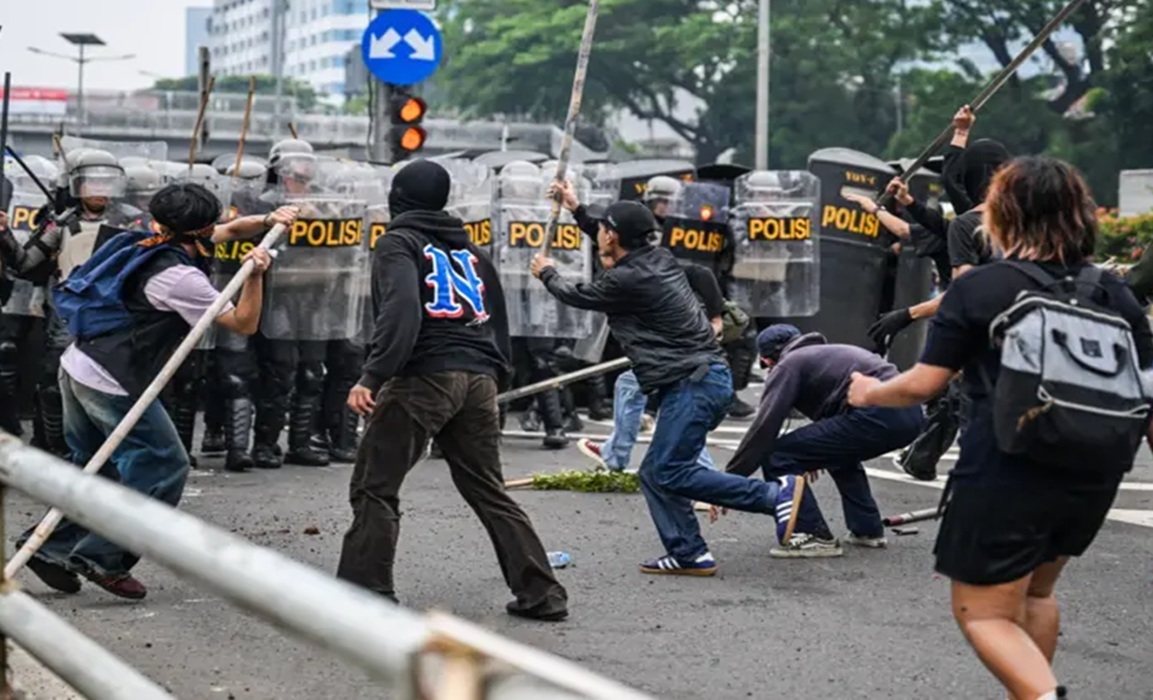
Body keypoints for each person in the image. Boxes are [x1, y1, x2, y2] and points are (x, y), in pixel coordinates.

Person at [847, 156, 1152, 700]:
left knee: (983, 611)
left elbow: (922, 384)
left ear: (1004, 215)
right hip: (1094, 472)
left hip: (1009, 467)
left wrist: (868, 392)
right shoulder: (1115, 295)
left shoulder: (986, 287)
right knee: (1036, 593)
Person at [17, 183, 296, 600]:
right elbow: (243, 323)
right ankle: (102, 558)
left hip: (78, 365)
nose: (218, 228)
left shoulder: (143, 239)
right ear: (198, 228)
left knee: (100, 469)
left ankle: (49, 548)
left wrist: (268, 221)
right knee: (164, 464)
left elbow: (231, 231)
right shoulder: (178, 278)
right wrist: (255, 276)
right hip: (111, 379)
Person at [532, 199, 824, 575]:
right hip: (697, 380)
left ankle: (772, 495)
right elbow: (611, 241)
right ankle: (689, 553)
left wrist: (548, 272)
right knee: (656, 472)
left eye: (603, 228)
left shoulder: (627, 279)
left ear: (615, 235)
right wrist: (577, 209)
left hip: (694, 383)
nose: (600, 234)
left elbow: (578, 296)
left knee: (670, 470)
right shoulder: (658, 258)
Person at [337, 160, 568, 621]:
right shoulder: (473, 253)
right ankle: (542, 594)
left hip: (424, 375)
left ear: (397, 198)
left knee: (375, 486)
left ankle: (364, 596)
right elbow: (500, 321)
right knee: (488, 489)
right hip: (478, 377)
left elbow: (402, 312)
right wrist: (495, 376)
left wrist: (373, 375)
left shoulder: (398, 242)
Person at [725, 325, 925, 557]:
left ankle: (811, 534)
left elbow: (763, 429)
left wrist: (730, 481)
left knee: (776, 454)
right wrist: (814, 455)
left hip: (877, 413)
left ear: (769, 358)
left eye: (766, 363)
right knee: (841, 458)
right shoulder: (827, 353)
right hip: (910, 414)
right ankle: (866, 529)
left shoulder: (789, 363)